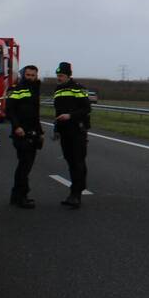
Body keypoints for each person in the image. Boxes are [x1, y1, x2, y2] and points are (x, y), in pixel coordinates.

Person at [53, 61, 91, 208]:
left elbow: (86, 109)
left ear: (68, 75)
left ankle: (76, 194)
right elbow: (57, 111)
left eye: (61, 75)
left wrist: (70, 116)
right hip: (64, 131)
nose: (59, 78)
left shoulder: (78, 88)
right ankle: (76, 190)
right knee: (70, 161)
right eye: (58, 75)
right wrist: (56, 129)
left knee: (77, 162)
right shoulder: (58, 89)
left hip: (77, 130)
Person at [5, 64, 43, 209]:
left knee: (25, 165)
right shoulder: (17, 89)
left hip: (33, 132)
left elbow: (35, 115)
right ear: (23, 75)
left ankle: (16, 196)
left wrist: (40, 132)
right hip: (21, 133)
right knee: (24, 166)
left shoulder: (35, 90)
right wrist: (17, 127)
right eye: (28, 75)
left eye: (33, 75)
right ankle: (21, 196)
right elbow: (10, 110)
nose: (31, 78)